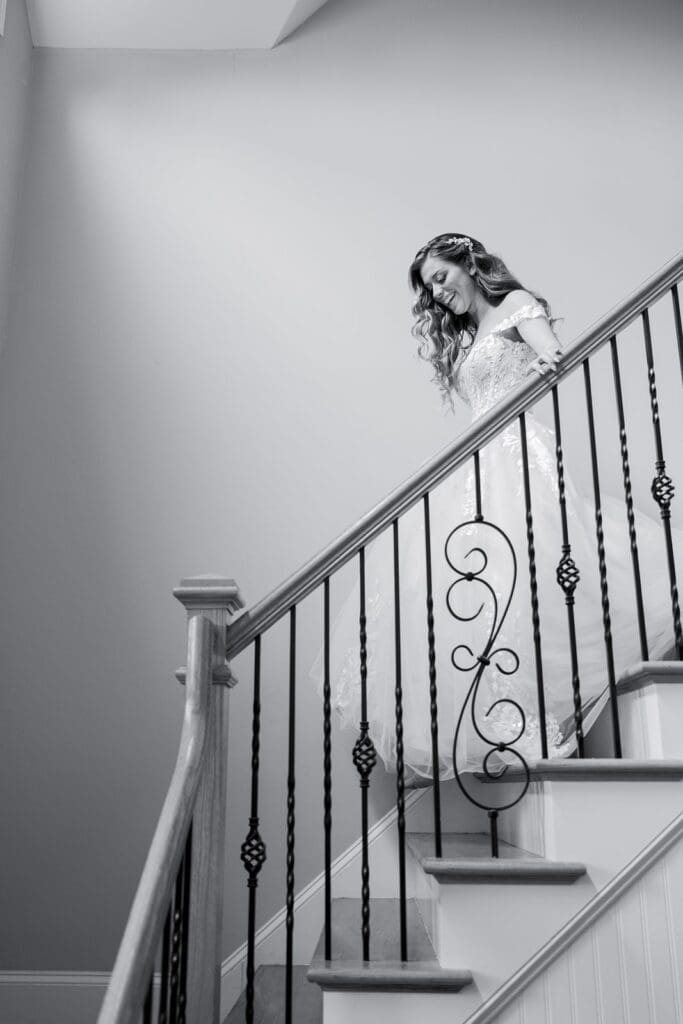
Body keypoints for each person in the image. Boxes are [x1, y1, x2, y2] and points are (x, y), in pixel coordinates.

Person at [318, 233, 677, 780]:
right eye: (429, 288)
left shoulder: (516, 307)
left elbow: (556, 357)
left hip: (515, 453)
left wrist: (529, 384)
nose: (437, 295)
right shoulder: (470, 336)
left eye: (441, 278)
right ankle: (508, 723)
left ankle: (527, 721)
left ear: (469, 262)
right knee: (470, 586)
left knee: (520, 574)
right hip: (476, 460)